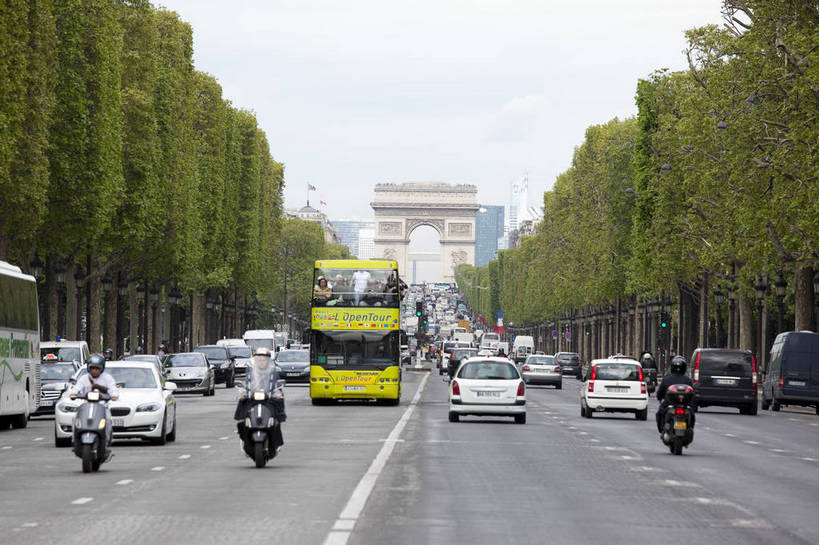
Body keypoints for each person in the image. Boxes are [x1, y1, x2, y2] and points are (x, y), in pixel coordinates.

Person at [234, 347, 286, 449]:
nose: (262, 362)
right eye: (259, 360)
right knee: (244, 410)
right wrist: (243, 393)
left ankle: (275, 442)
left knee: (275, 414)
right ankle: (244, 438)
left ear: (268, 361)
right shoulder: (251, 373)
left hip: (268, 399)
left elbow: (277, 386)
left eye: (264, 360)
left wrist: (278, 393)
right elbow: (247, 385)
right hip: (253, 399)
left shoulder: (273, 373)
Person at [69, 354, 119, 453]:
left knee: (108, 420)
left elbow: (113, 389)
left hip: (102, 406)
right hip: (87, 405)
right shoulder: (84, 378)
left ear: (102, 369)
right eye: (92, 368)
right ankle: (75, 440)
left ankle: (106, 442)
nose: (95, 371)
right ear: (89, 368)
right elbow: (76, 388)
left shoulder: (107, 378)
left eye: (97, 368)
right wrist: (74, 393)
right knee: (75, 418)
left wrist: (113, 395)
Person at [655, 355, 695, 434]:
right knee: (692, 414)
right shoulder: (688, 380)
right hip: (685, 405)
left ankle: (663, 429)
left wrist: (660, 398)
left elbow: (659, 393)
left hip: (669, 404)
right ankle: (689, 429)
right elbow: (693, 395)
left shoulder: (666, 378)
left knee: (660, 413)